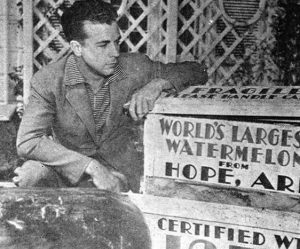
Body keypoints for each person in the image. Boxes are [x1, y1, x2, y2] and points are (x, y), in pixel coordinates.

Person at [14, 0, 208, 192]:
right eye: (103, 45)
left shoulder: (133, 67)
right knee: (30, 175)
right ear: (77, 48)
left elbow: (196, 70)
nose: (115, 52)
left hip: (119, 173)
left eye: (117, 42)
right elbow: (27, 141)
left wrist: (158, 84)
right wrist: (91, 167)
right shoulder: (49, 80)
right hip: (68, 169)